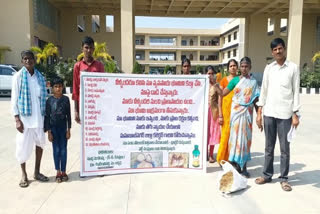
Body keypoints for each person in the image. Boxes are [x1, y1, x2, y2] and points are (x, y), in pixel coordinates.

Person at [255, 38, 300, 191]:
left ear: (284, 49)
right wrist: (259, 112)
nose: (278, 51)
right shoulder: (269, 68)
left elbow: (296, 92)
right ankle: (267, 175)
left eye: (280, 48)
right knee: (268, 147)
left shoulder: (293, 68)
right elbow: (264, 91)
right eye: (275, 50)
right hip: (269, 113)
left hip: (285, 114)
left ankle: (284, 178)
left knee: (284, 148)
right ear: (272, 52)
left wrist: (295, 114)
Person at [215, 57, 260, 178]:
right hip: (235, 114)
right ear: (240, 67)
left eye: (246, 66)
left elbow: (256, 99)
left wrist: (259, 115)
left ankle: (244, 167)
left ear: (250, 67)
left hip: (247, 114)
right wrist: (214, 84)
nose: (244, 68)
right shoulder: (235, 81)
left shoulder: (254, 82)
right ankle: (235, 166)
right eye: (242, 66)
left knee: (245, 140)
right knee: (234, 140)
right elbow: (223, 93)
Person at [11, 50, 49, 188]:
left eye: (30, 58)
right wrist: (17, 119)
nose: (28, 61)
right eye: (25, 59)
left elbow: (43, 98)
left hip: (39, 118)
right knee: (22, 147)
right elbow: (14, 99)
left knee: (40, 145)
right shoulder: (18, 77)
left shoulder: (40, 77)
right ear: (22, 61)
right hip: (25, 120)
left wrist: (46, 119)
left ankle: (37, 172)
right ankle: (23, 174)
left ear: (34, 60)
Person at [72, 36, 105, 124]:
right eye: (86, 47)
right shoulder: (77, 66)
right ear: (82, 48)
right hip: (83, 105)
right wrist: (76, 110)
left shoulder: (99, 66)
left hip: (97, 106)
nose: (88, 50)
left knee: (96, 132)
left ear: (94, 49)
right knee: (85, 133)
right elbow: (75, 89)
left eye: (91, 48)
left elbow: (103, 87)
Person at [45, 77, 71, 183]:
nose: (58, 89)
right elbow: (47, 116)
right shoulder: (49, 101)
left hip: (63, 129)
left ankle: (64, 171)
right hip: (53, 129)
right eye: (55, 87)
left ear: (62, 87)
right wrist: (49, 132)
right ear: (52, 88)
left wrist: (69, 129)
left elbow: (68, 115)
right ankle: (58, 172)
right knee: (56, 151)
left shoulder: (66, 99)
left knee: (63, 150)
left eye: (60, 86)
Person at [216, 59, 238, 164]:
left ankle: (232, 158)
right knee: (225, 135)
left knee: (235, 136)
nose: (233, 67)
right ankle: (222, 158)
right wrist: (220, 114)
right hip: (226, 112)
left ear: (237, 67)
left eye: (234, 65)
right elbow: (220, 97)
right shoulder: (224, 80)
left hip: (237, 112)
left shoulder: (240, 80)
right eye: (231, 66)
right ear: (228, 68)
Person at [206, 66, 221, 163]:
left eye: (212, 73)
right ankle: (204, 153)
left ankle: (211, 154)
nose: (210, 75)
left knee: (212, 133)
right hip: (204, 112)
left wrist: (216, 86)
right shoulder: (202, 84)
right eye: (208, 73)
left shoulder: (216, 85)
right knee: (205, 133)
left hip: (214, 112)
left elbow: (221, 96)